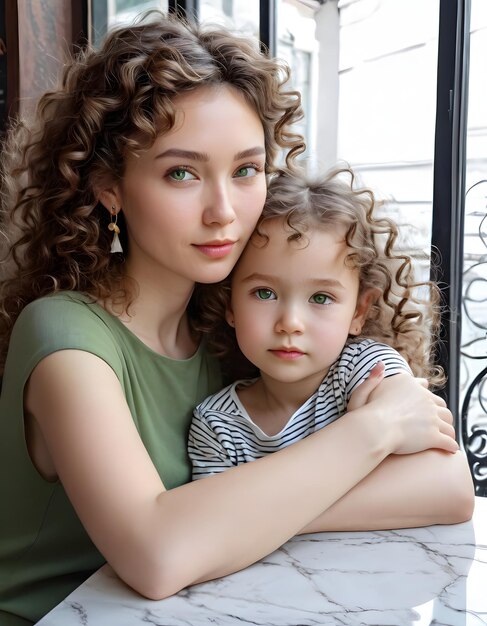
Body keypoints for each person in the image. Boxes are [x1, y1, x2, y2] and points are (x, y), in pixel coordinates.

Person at [0, 10, 473, 626]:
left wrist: (231, 520)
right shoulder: (65, 338)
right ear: (108, 187)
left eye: (247, 170)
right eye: (182, 173)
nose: (224, 211)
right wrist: (372, 431)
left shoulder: (232, 321)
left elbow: (446, 489)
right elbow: (157, 552)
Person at [188, 167, 449, 477]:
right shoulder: (216, 425)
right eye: (264, 293)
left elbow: (442, 479)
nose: (290, 323)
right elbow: (215, 522)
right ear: (229, 302)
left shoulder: (366, 369)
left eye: (321, 298)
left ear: (358, 312)